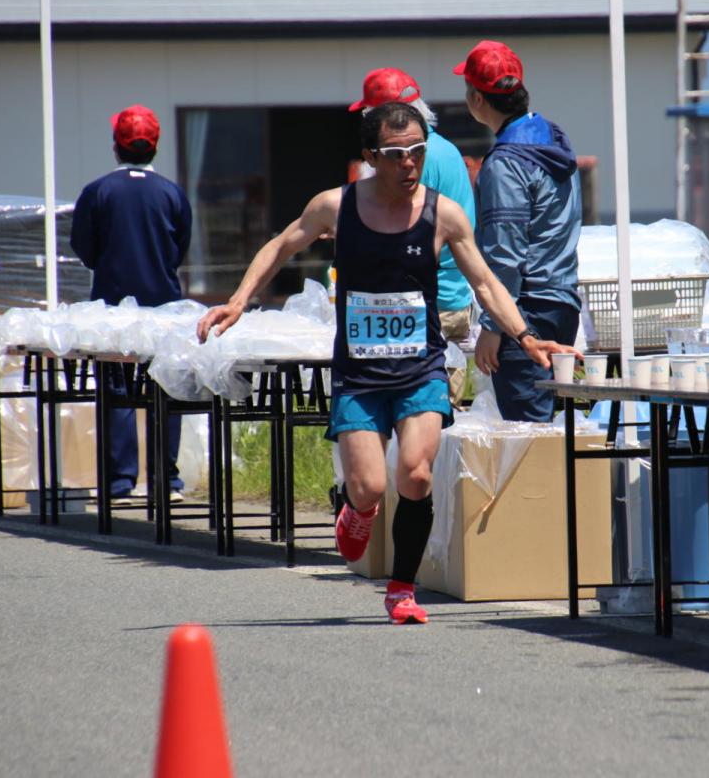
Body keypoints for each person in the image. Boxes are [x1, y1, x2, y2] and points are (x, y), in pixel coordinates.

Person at [196, 102, 575, 624]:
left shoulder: (443, 214)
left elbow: (486, 281)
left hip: (420, 367)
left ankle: (401, 589)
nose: (409, 164)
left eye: (418, 151)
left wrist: (526, 336)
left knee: (415, 475)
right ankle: (359, 508)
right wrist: (239, 300)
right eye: (396, 154)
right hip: (359, 373)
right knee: (371, 484)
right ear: (371, 156)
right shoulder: (337, 207)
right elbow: (282, 244)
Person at [455, 40, 583, 422]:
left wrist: (495, 325)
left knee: (528, 437)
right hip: (563, 300)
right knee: (555, 430)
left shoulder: (505, 164)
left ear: (477, 99)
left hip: (524, 311)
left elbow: (505, 252)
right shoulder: (553, 140)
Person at [70, 104, 191, 504]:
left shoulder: (98, 191)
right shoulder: (172, 193)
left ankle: (120, 482)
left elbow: (83, 247)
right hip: (164, 306)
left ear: (116, 147)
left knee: (117, 390)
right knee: (165, 389)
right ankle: (165, 480)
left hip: (111, 306)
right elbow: (180, 250)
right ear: (155, 146)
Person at [350, 67, 477, 406]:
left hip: (431, 299)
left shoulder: (411, 158)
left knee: (428, 410)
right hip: (451, 295)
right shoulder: (443, 148)